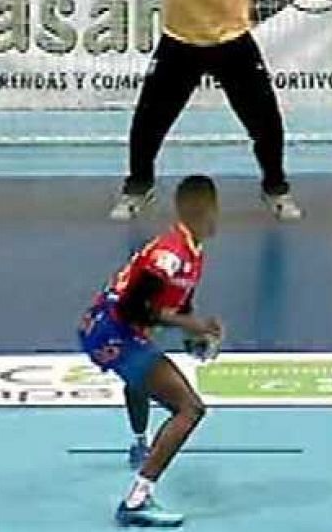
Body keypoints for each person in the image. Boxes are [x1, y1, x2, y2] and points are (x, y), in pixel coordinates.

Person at [107, 0, 303, 222]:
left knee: (266, 122)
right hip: (180, 43)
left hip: (233, 44)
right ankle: (138, 187)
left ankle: (276, 188)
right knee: (147, 121)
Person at [79, 175, 227, 528]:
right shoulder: (169, 256)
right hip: (112, 331)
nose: (218, 217)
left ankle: (140, 444)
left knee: (143, 376)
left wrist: (195, 337)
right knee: (190, 408)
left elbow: (176, 306)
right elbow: (133, 309)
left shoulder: (192, 252)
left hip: (117, 330)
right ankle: (137, 499)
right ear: (202, 210)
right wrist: (191, 326)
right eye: (215, 209)